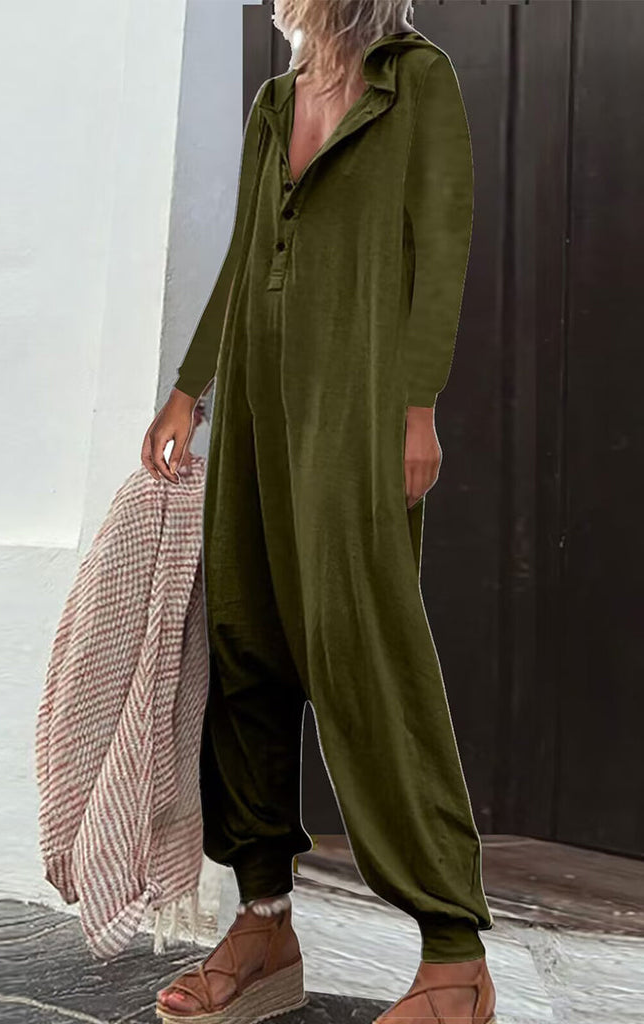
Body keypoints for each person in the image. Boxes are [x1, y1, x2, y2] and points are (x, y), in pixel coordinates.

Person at [143, 2, 498, 1021]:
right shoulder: (273, 101)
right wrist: (191, 387)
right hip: (258, 401)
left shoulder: (413, 81)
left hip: (355, 406)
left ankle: (452, 957)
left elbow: (442, 245)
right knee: (243, 643)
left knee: (359, 650)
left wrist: (417, 407)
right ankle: (263, 922)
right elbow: (246, 250)